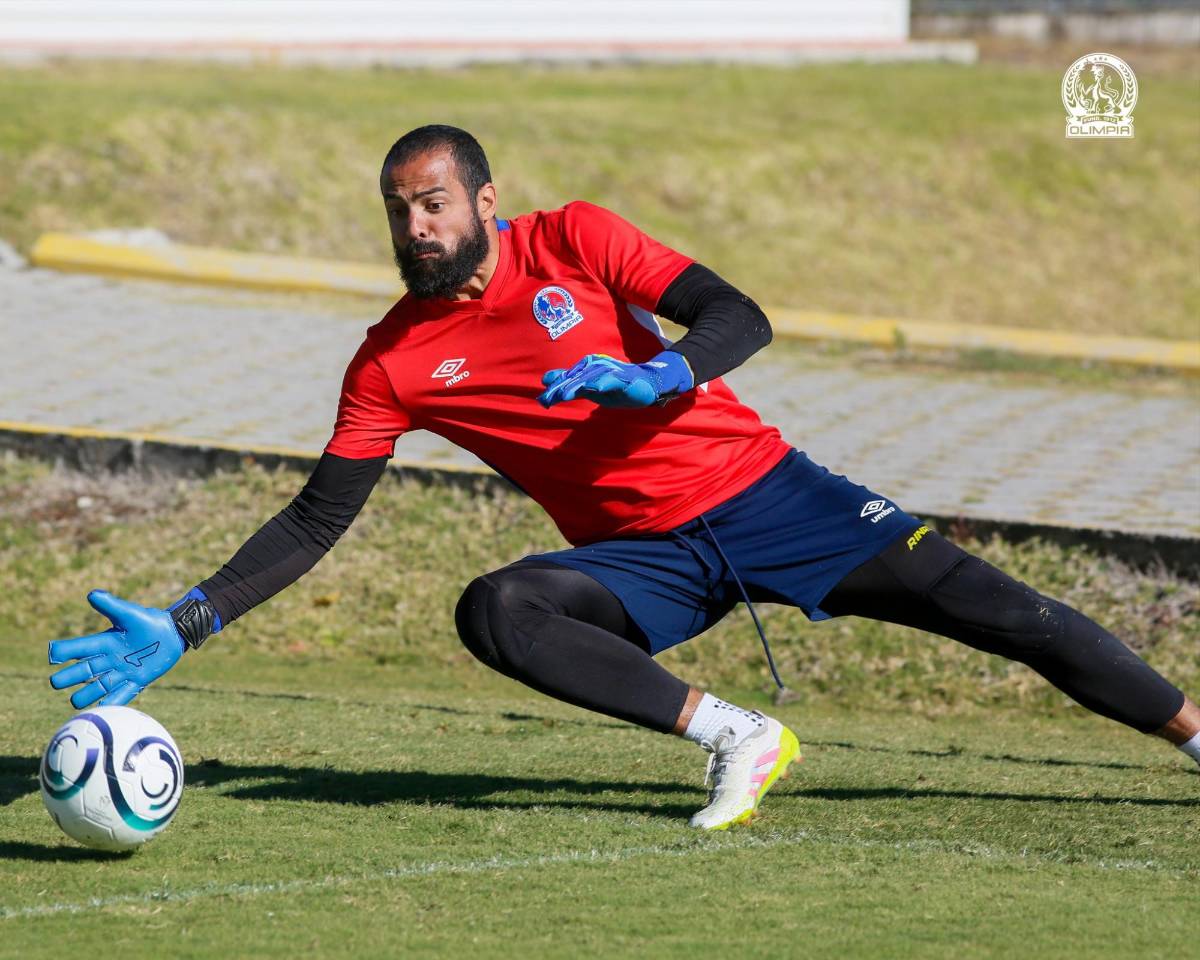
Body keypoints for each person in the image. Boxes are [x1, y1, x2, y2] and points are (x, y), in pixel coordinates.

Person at [47, 126, 1199, 831]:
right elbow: (318, 519)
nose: (416, 224)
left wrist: (666, 374)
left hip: (772, 496)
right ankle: (739, 736)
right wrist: (190, 621)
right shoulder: (391, 359)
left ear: (484, 201)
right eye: (399, 209)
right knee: (500, 606)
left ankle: (1193, 734)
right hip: (647, 564)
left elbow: (737, 313)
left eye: (434, 201)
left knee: (1010, 614)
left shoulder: (576, 239)